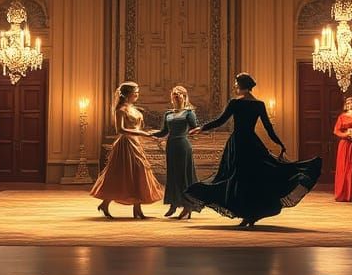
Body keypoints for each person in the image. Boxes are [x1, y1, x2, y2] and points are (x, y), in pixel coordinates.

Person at [186, 72, 322, 228]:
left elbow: (220, 121)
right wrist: (279, 142)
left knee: (238, 179)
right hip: (252, 143)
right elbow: (268, 127)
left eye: (236, 83)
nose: (234, 86)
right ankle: (249, 215)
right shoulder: (258, 104)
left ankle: (247, 214)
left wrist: (200, 128)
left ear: (242, 85)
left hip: (238, 144)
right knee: (252, 179)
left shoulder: (235, 103)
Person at [90, 81, 164, 219]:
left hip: (136, 143)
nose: (137, 94)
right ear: (127, 94)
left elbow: (138, 128)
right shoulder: (120, 110)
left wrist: (150, 134)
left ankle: (137, 210)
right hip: (125, 144)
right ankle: (106, 204)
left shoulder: (134, 109)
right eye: (135, 92)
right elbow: (121, 130)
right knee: (122, 175)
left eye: (137, 92)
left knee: (138, 173)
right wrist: (142, 134)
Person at [153, 85, 201, 220]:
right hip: (171, 145)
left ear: (184, 96)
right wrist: (151, 134)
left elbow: (194, 128)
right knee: (172, 175)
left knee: (183, 175)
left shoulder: (189, 113)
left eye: (179, 93)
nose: (177, 95)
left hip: (183, 145)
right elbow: (164, 132)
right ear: (171, 97)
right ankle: (173, 204)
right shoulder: (168, 114)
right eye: (174, 93)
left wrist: (197, 131)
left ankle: (187, 206)